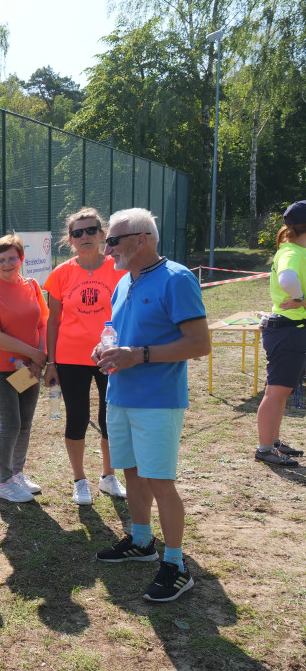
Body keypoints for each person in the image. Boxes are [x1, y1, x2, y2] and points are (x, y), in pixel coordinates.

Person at [93, 207, 209, 603]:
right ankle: (142, 541)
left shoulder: (176, 278)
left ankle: (176, 565)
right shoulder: (124, 281)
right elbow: (119, 334)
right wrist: (106, 349)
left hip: (158, 400)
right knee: (132, 473)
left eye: (112, 240)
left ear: (141, 239)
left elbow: (199, 343)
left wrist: (137, 355)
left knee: (160, 481)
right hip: (120, 395)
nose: (106, 249)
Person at [43, 207, 128, 505]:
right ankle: (79, 480)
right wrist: (51, 362)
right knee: (76, 418)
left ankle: (108, 476)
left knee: (111, 419)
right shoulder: (61, 274)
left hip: (110, 355)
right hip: (70, 358)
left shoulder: (119, 268)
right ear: (70, 240)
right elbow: (52, 321)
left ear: (103, 234)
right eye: (78, 233)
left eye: (91, 230)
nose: (85, 237)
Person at [0, 234, 50, 503]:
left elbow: (43, 322)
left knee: (25, 423)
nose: (8, 264)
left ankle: (17, 474)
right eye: (1, 260)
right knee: (10, 423)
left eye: (12, 258)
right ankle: (2, 481)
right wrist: (35, 355)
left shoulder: (31, 285)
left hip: (29, 367)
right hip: (2, 368)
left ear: (21, 259)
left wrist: (38, 357)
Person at [255, 199, 306, 466]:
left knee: (281, 390)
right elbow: (287, 279)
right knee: (276, 392)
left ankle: (272, 442)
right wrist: (300, 298)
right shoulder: (293, 252)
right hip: (287, 329)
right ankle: (265, 448)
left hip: (289, 328)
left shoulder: (295, 250)